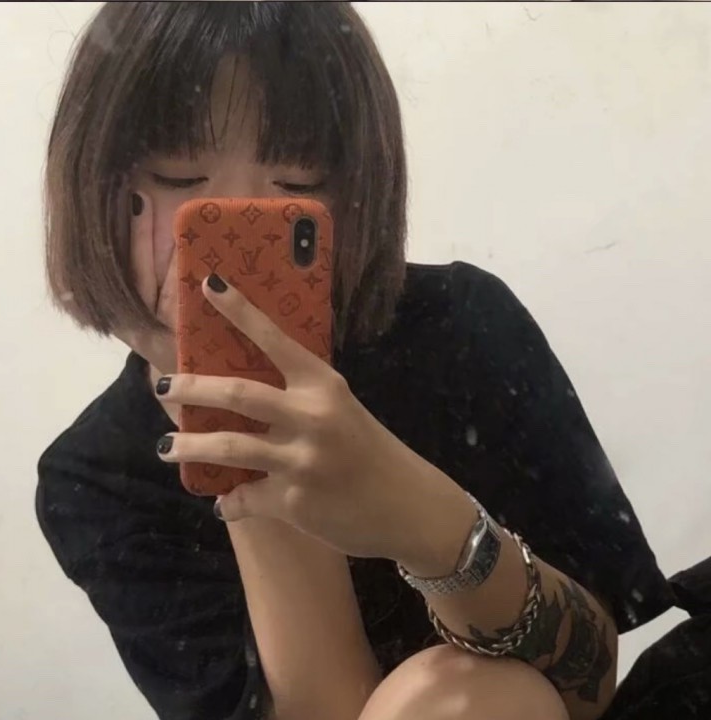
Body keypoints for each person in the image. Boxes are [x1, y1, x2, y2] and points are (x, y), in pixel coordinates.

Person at [36, 4, 678, 720]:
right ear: (92, 187)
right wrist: (250, 445)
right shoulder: (96, 478)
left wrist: (423, 518)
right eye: (178, 176)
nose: (237, 221)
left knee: (469, 693)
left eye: (296, 184)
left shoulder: (459, 326)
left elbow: (592, 675)